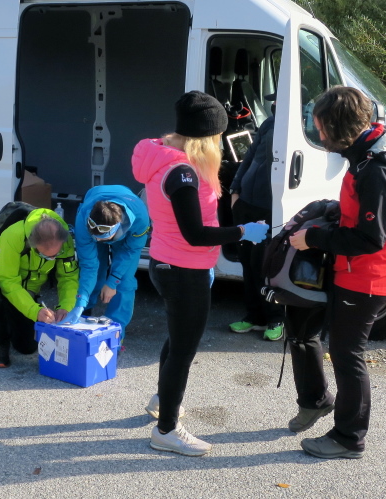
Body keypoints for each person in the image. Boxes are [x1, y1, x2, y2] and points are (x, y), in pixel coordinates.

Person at [132, 90, 268, 456]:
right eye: (218, 136)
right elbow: (195, 234)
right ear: (205, 137)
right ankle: (166, 430)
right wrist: (244, 231)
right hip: (183, 270)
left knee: (178, 340)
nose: (221, 143)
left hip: (170, 263)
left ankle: (162, 401)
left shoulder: (166, 157)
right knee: (183, 351)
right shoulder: (181, 174)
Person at [287, 86, 386, 459]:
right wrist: (333, 211)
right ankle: (322, 405)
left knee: (347, 356)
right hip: (357, 273)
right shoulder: (367, 154)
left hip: (367, 277)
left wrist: (313, 238)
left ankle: (348, 438)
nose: (319, 135)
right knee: (337, 349)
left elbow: (371, 237)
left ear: (338, 126)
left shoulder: (376, 168)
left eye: (321, 128)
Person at [0, 209, 79, 368]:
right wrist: (34, 311)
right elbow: (8, 281)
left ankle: (9, 319)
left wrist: (65, 306)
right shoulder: (14, 235)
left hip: (26, 289)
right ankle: (0, 342)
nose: (52, 259)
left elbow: (68, 278)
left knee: (27, 347)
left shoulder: (66, 239)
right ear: (33, 243)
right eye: (46, 256)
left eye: (56, 255)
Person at [228, 93, 285, 341]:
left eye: (278, 100)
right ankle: (254, 317)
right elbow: (249, 157)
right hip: (246, 205)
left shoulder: (299, 127)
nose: (274, 104)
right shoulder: (269, 123)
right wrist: (235, 190)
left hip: (269, 208)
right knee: (247, 263)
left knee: (264, 265)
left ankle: (275, 319)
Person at [61, 185, 150, 341]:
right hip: (94, 213)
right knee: (97, 272)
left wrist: (113, 282)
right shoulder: (83, 219)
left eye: (103, 237)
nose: (98, 240)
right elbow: (89, 265)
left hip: (127, 238)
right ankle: (83, 315)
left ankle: (116, 334)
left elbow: (130, 251)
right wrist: (80, 301)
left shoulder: (140, 219)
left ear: (118, 227)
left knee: (124, 282)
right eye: (95, 237)